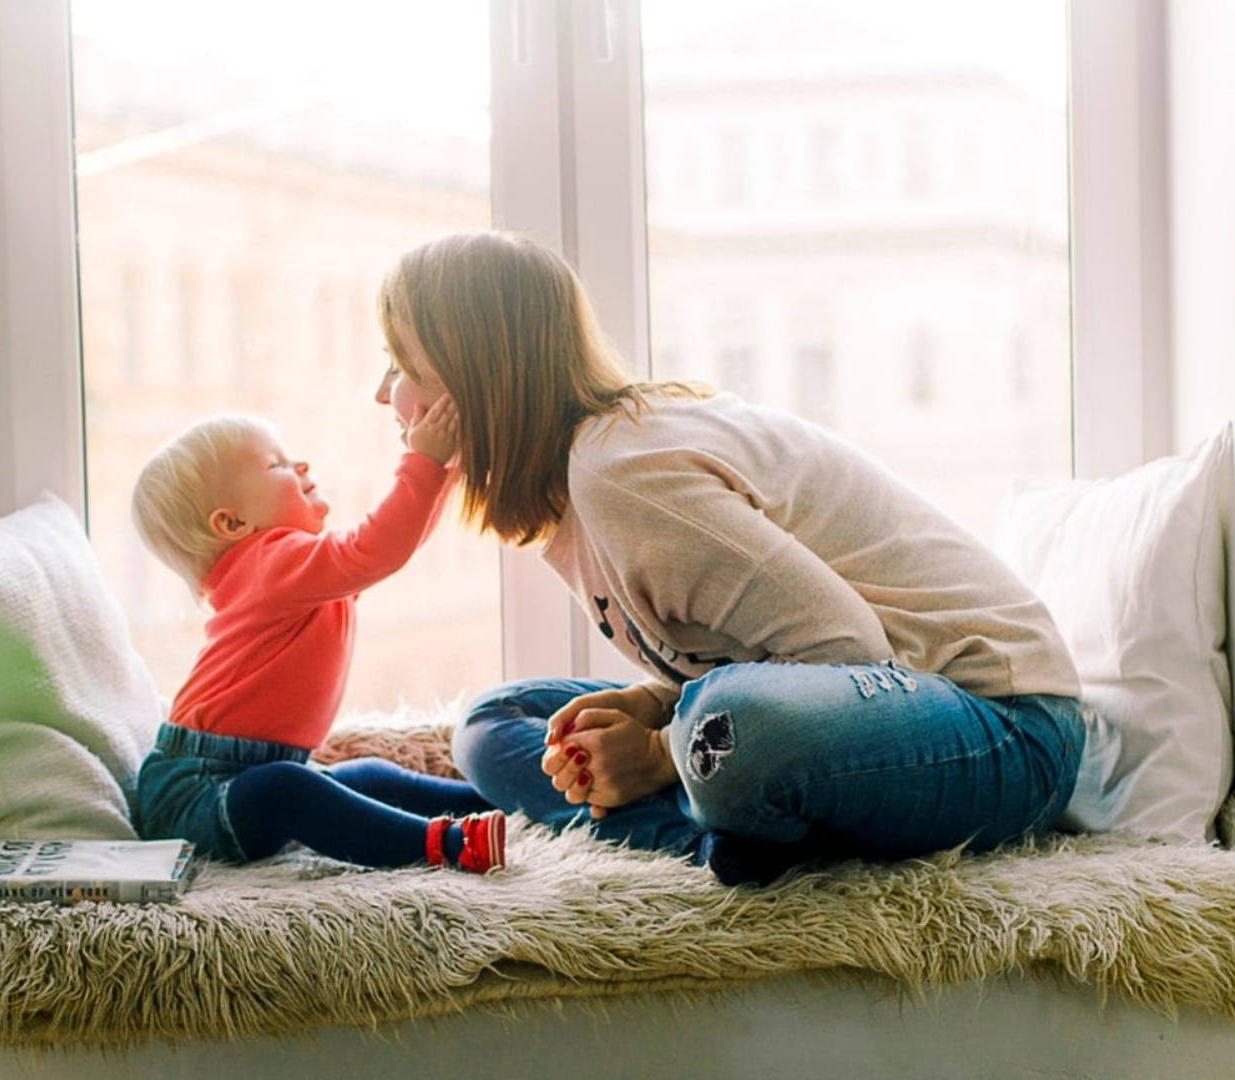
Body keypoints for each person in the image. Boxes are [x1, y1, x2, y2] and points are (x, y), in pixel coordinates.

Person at [371, 230, 1085, 886]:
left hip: (1003, 728)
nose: (384, 394)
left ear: (477, 379)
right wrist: (657, 709)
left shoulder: (622, 473)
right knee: (497, 721)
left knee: (731, 725)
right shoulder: (577, 489)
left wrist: (655, 752)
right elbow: (757, 659)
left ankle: (715, 820)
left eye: (403, 365)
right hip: (860, 711)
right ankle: (727, 835)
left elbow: (850, 651)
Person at [130, 403, 506, 874]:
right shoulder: (270, 564)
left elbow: (392, 550)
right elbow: (378, 547)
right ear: (231, 524)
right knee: (287, 790)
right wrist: (426, 464)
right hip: (195, 794)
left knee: (365, 776)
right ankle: (445, 845)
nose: (300, 465)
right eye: (276, 464)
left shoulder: (290, 571)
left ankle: (497, 801)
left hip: (244, 772)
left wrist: (445, 471)